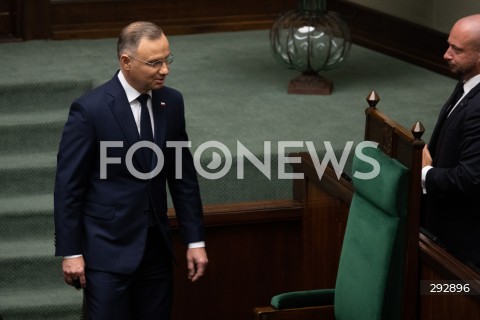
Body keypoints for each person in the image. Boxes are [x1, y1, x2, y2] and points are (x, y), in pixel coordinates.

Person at [54, 21, 208, 319]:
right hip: (107, 252)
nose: (165, 70)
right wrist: (71, 252)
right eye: (155, 62)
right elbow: (68, 186)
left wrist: (195, 240)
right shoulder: (90, 110)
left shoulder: (171, 101)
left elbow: (182, 177)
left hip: (156, 252)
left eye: (167, 59)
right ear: (126, 62)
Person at [422, 14, 480, 269]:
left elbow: (470, 177)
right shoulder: (468, 83)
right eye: (449, 45)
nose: (446, 54)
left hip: (463, 250)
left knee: (444, 297)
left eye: (457, 49)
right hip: (442, 229)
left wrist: (424, 173)